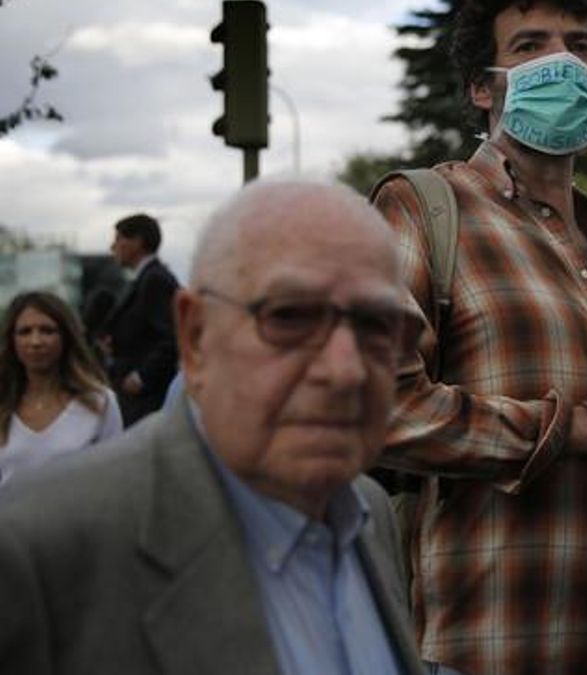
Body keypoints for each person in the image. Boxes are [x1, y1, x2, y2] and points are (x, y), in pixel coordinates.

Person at [0, 181, 428, 675]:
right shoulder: (36, 549)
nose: (346, 369)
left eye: (376, 326)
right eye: (289, 317)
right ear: (195, 336)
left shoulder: (369, 513)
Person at [372, 1, 587, 673]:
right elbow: (380, 410)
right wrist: (586, 425)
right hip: (498, 647)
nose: (562, 62)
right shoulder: (427, 209)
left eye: (580, 46)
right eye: (529, 46)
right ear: (482, 87)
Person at [0, 291, 122, 485]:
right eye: (25, 332)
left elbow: (115, 480)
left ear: (66, 337)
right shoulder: (4, 403)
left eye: (47, 330)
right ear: (12, 340)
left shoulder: (100, 402)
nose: (35, 342)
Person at [101, 213, 180, 425]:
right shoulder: (146, 279)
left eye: (118, 239)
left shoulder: (154, 280)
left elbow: (171, 336)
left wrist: (142, 377)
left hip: (147, 399)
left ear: (137, 241)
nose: (113, 247)